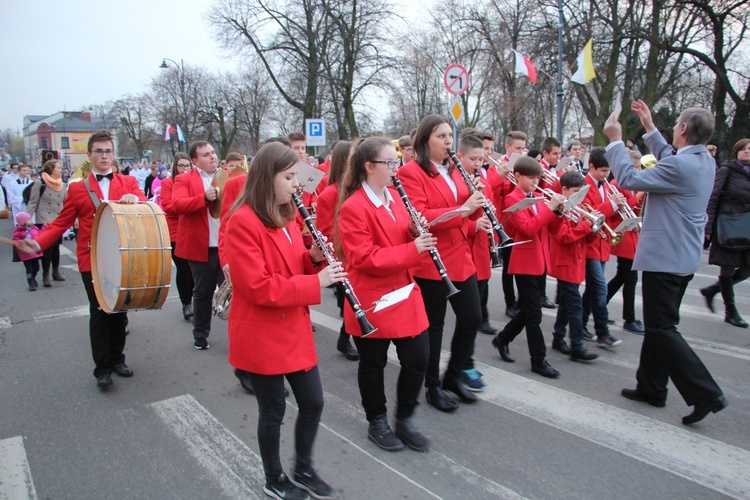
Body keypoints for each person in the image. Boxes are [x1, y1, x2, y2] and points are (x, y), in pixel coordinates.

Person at [225, 142, 341, 499]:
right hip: (262, 332)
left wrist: (312, 256)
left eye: (297, 176)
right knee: (273, 410)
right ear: (266, 177)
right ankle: (274, 478)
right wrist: (316, 282)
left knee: (313, 402)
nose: (296, 184)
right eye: (289, 177)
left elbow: (291, 265)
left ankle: (303, 467)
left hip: (291, 327)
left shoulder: (286, 213)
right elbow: (258, 286)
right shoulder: (242, 221)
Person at [603, 100, 728, 425]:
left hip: (666, 259)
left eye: (675, 126)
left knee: (661, 328)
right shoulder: (705, 160)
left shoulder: (680, 167)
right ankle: (651, 387)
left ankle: (706, 394)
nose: (672, 130)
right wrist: (649, 126)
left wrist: (615, 140)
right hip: (682, 256)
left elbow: (628, 178)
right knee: (661, 325)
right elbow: (673, 157)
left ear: (683, 129)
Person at [15, 130, 145, 389]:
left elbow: (145, 207)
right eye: (99, 151)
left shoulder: (128, 183)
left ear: (113, 154)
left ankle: (118, 359)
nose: (104, 155)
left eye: (108, 151)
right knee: (99, 312)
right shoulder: (77, 189)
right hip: (92, 259)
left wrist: (137, 201)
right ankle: (103, 368)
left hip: (123, 257)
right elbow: (61, 223)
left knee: (119, 311)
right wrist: (38, 243)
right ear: (89, 155)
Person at [336, 137, 432, 452]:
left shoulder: (395, 197)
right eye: (390, 163)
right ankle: (377, 420)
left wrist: (415, 232)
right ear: (369, 167)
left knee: (418, 359)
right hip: (373, 296)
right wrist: (412, 248)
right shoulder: (353, 207)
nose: (396, 168)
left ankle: (404, 418)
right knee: (373, 363)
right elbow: (365, 258)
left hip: (404, 292)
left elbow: (400, 234)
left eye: (397, 162)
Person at [398, 114, 486, 412]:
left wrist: (476, 204)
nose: (448, 142)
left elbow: (468, 216)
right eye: (441, 136)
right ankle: (432, 385)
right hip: (432, 261)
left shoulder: (454, 170)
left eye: (450, 136)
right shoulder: (411, 172)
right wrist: (464, 208)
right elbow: (419, 218)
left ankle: (453, 375)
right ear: (425, 140)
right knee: (434, 328)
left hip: (461, 258)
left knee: (472, 318)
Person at [492, 156, 566, 378]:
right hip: (524, 264)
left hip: (540, 261)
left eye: (538, 178)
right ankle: (538, 360)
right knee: (534, 315)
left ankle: (502, 338)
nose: (536, 182)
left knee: (528, 311)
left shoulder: (538, 197)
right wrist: (549, 209)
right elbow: (528, 228)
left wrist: (559, 212)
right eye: (531, 178)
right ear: (518, 177)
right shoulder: (511, 199)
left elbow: (550, 229)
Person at [172, 142, 224, 350]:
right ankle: (200, 335)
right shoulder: (183, 179)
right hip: (200, 247)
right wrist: (203, 198)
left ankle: (242, 336)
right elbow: (177, 204)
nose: (212, 156)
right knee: (203, 292)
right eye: (206, 154)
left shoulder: (228, 176)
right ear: (195, 161)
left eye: (213, 152)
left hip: (225, 245)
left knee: (233, 291)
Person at [315, 140, 360, 362]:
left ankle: (345, 338)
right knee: (350, 305)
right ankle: (346, 338)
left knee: (358, 302)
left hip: (360, 254)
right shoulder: (329, 194)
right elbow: (325, 232)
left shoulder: (359, 188)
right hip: (344, 258)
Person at [548, 171, 599, 362]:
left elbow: (588, 238)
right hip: (565, 263)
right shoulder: (559, 210)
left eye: (581, 192)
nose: (580, 197)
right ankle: (576, 344)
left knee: (566, 303)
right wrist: (586, 225)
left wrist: (594, 226)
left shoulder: (580, 207)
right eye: (576, 192)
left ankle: (558, 337)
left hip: (576, 261)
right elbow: (564, 236)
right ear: (564, 190)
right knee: (575, 305)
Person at [701, 138, 750, 328]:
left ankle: (712, 289)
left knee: (746, 269)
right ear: (736, 151)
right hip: (728, 224)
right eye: (743, 149)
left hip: (747, 225)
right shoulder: (727, 170)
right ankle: (731, 311)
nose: (747, 152)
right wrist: (708, 226)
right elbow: (712, 198)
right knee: (728, 267)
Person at [580, 148, 624, 348]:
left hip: (603, 244)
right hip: (590, 245)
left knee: (592, 289)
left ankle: (580, 324)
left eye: (608, 171)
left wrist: (622, 206)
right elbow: (591, 213)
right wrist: (612, 205)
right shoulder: (584, 185)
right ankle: (603, 332)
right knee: (600, 288)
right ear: (592, 167)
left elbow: (610, 216)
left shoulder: (606, 186)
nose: (607, 175)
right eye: (603, 171)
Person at [606, 150, 645, 334]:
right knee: (630, 278)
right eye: (634, 168)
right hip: (622, 232)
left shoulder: (633, 185)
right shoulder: (616, 184)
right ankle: (629, 319)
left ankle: (596, 303)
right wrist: (636, 197)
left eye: (638, 168)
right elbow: (617, 209)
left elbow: (637, 209)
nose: (638, 171)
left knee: (623, 276)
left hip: (633, 232)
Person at [161, 153, 195, 321]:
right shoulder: (167, 183)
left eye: (187, 165)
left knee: (195, 269)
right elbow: (168, 206)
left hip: (194, 229)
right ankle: (186, 303)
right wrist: (188, 205)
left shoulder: (193, 181)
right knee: (184, 269)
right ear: (175, 167)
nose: (184, 169)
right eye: (181, 166)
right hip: (175, 232)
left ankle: (195, 299)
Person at [25, 159, 68, 287]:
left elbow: (66, 203)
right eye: (58, 168)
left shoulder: (63, 185)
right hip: (44, 219)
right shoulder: (40, 183)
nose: (61, 170)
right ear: (51, 170)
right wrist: (27, 217)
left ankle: (56, 271)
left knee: (56, 249)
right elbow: (33, 202)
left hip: (58, 220)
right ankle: (46, 274)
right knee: (47, 249)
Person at [13, 212, 44, 291]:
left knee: (36, 268)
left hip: (34, 252)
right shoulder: (18, 232)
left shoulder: (34, 228)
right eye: (29, 219)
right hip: (26, 254)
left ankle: (33, 278)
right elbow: (16, 241)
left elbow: (40, 235)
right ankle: (30, 283)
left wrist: (44, 228)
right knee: (29, 269)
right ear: (23, 222)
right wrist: (21, 243)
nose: (31, 220)